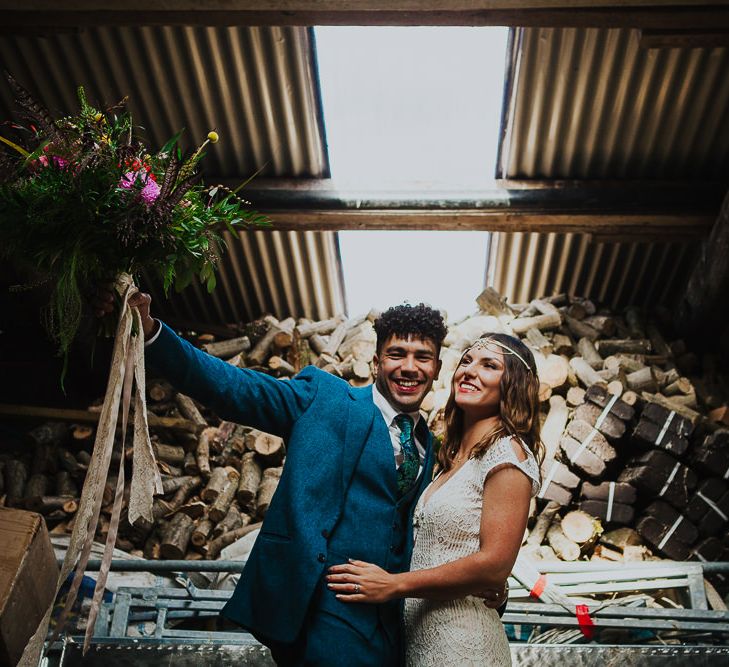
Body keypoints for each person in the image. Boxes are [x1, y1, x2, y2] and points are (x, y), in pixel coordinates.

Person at [92, 290, 507, 667]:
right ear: (377, 360)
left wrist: (478, 585)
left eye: (423, 357)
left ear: (436, 368)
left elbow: (427, 530)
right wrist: (150, 333)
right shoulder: (323, 398)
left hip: (393, 624)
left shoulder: (429, 445)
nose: (409, 367)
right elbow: (232, 387)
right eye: (397, 354)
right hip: (322, 606)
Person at [327, 333, 543, 666]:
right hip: (421, 641)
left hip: (464, 643)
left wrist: (393, 584)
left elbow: (496, 563)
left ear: (514, 383)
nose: (469, 371)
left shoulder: (507, 453)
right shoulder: (449, 460)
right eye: (467, 361)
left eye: (489, 365)